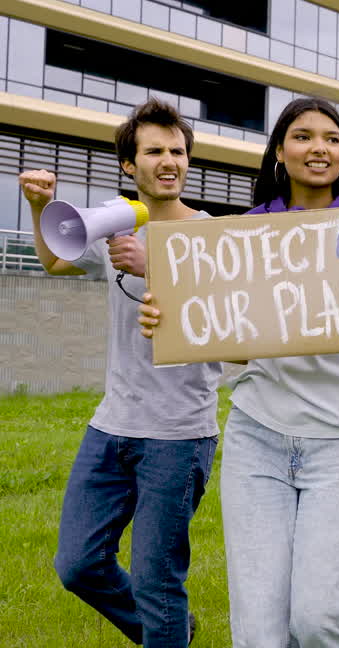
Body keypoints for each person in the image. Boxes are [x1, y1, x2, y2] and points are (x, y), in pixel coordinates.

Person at [139, 97, 339, 647]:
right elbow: (233, 346)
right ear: (278, 151)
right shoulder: (247, 237)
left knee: (324, 615)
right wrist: (171, 318)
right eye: (302, 136)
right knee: (260, 631)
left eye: (331, 138)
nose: (318, 148)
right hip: (259, 437)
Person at [20, 98, 219, 646]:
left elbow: (227, 321)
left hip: (178, 433)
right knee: (78, 564)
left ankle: (165, 627)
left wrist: (153, 266)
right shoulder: (115, 221)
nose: (168, 160)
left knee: (158, 580)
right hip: (112, 425)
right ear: (130, 165)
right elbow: (54, 260)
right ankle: (171, 630)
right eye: (153, 151)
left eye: (177, 150)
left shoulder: (211, 236)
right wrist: (41, 208)